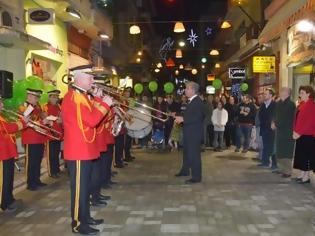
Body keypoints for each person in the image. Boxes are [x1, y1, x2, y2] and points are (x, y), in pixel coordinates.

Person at [61, 66, 113, 235]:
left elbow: (90, 115)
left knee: (85, 188)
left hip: (85, 149)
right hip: (78, 151)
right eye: (89, 77)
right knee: (79, 191)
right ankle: (77, 224)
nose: (92, 81)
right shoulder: (73, 98)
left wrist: (97, 100)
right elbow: (92, 120)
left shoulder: (81, 96)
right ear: (78, 78)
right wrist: (105, 103)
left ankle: (86, 217)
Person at [0, 95, 27, 211]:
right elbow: (7, 128)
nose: (2, 105)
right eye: (0, 102)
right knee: (4, 180)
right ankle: (4, 203)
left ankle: (9, 198)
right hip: (2, 153)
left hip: (8, 151)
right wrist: (22, 122)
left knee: (9, 177)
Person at [19, 88, 49, 191]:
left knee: (38, 160)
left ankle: (36, 180)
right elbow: (28, 121)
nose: (37, 99)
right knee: (31, 162)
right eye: (36, 97)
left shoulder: (37, 106)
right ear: (30, 96)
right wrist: (42, 122)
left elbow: (40, 117)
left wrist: (45, 119)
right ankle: (30, 183)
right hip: (30, 138)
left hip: (39, 137)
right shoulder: (25, 106)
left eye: (38, 97)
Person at [175, 81, 204, 184]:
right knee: (186, 153)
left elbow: (197, 117)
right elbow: (190, 115)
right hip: (189, 132)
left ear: (192, 90)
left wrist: (183, 119)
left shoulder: (197, 102)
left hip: (194, 134)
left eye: (187, 88)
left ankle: (196, 177)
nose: (185, 90)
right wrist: (180, 117)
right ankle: (185, 170)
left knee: (194, 155)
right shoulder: (191, 101)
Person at [292, 86, 315, 184]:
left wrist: (299, 132)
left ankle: (306, 177)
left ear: (308, 94)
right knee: (300, 156)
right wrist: (295, 131)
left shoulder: (311, 105)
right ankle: (302, 174)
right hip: (300, 134)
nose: (300, 94)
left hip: (308, 135)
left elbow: (310, 122)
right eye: (299, 93)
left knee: (306, 156)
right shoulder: (301, 104)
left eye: (302, 93)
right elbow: (297, 119)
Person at [272, 88, 296, 178]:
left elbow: (287, 118)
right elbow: (274, 114)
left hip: (287, 132)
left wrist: (276, 123)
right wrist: (273, 122)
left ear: (288, 93)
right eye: (281, 91)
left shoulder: (291, 104)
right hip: (280, 131)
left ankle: (287, 171)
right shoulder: (278, 103)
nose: (280, 92)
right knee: (280, 150)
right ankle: (281, 168)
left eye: (283, 91)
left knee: (286, 151)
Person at [42, 89, 63, 178]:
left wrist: (61, 120)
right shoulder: (45, 107)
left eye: (57, 97)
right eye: (53, 97)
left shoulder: (59, 106)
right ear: (49, 97)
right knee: (51, 155)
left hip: (58, 133)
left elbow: (62, 118)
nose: (55, 99)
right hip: (50, 134)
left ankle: (57, 169)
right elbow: (44, 118)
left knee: (56, 153)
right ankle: (52, 172)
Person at [258, 89, 276, 168]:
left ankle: (274, 164)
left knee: (272, 146)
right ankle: (265, 162)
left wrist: (271, 123)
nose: (264, 95)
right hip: (264, 128)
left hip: (272, 129)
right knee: (265, 146)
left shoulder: (275, 105)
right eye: (264, 94)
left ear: (271, 95)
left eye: (266, 94)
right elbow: (260, 116)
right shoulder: (262, 105)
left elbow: (275, 116)